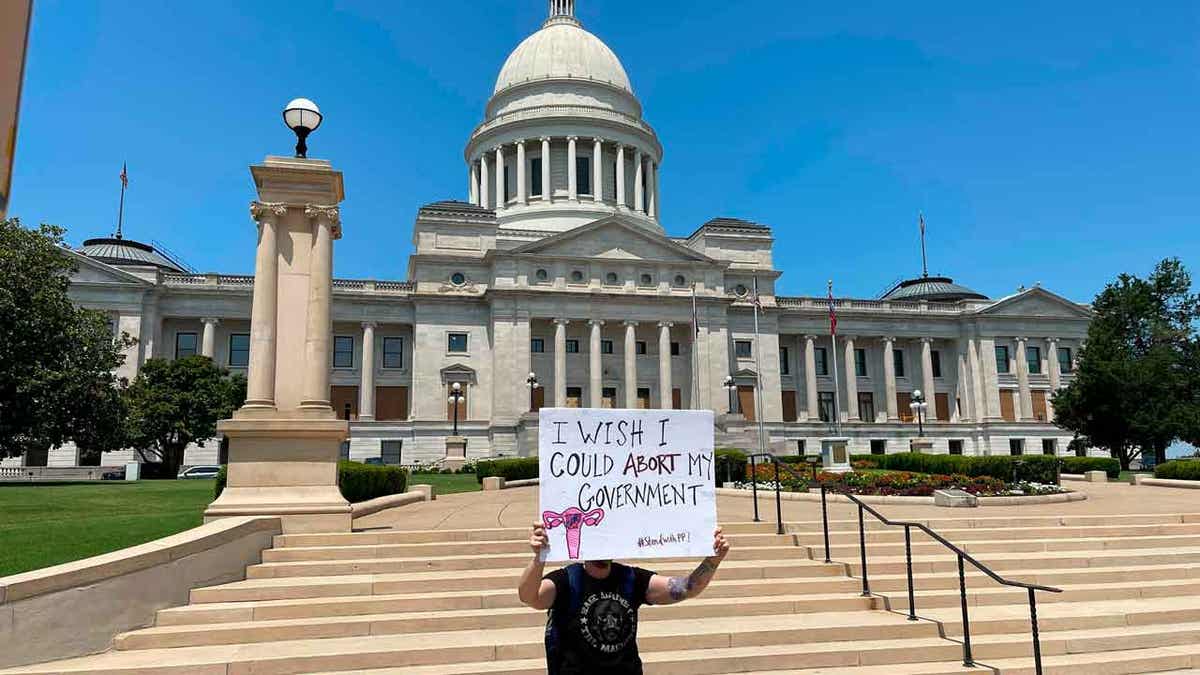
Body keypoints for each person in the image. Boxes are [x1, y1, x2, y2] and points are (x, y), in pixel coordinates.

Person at [518, 522, 730, 675]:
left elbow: (686, 588)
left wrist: (713, 560)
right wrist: (539, 558)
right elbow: (529, 597)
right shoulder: (566, 580)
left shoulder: (631, 578)